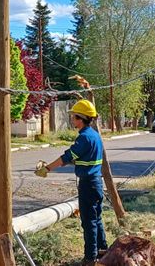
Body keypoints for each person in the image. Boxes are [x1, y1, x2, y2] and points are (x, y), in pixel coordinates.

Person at [35, 99, 108, 265]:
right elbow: (82, 158)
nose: (72, 119)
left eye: (74, 116)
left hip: (88, 184)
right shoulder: (94, 135)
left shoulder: (84, 138)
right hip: (96, 182)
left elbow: (66, 157)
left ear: (81, 119)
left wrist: (47, 169)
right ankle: (103, 250)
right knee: (96, 218)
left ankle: (90, 258)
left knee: (88, 221)